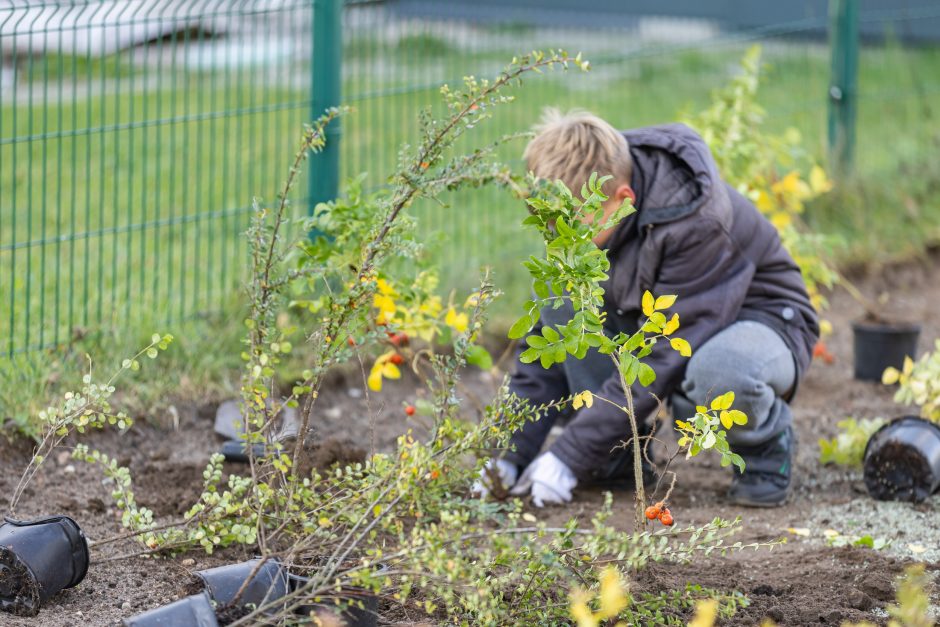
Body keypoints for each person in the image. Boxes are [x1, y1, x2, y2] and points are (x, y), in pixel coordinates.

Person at [477, 110, 819, 508]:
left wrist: (567, 454)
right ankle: (613, 457)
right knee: (568, 307)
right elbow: (548, 349)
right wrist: (508, 458)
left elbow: (663, 353)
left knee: (717, 376)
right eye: (556, 226)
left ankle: (765, 446)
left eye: (578, 225)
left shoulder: (694, 217)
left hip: (762, 320)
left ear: (624, 199)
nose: (566, 238)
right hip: (679, 324)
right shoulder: (585, 203)